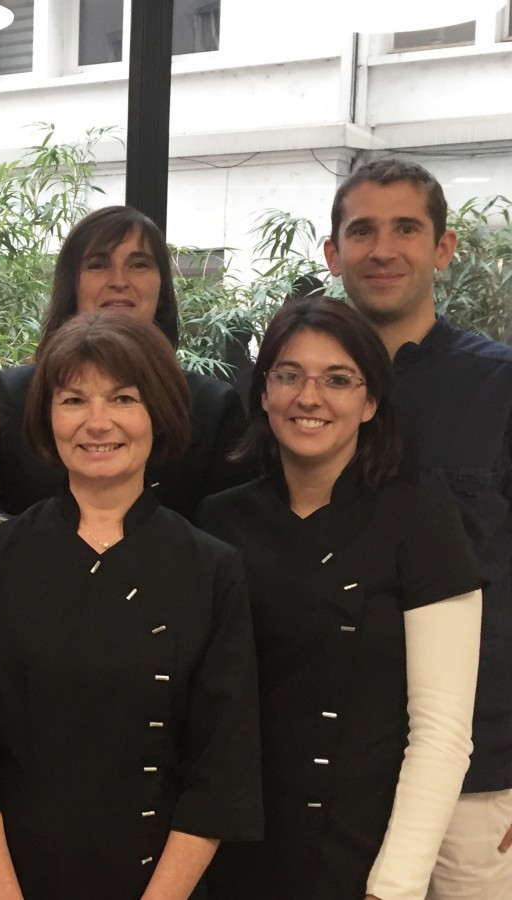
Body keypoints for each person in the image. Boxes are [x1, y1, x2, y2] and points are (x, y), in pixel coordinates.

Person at [0, 313, 262, 899]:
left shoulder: (210, 568)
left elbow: (220, 775)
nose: (97, 422)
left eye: (123, 398)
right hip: (4, 882)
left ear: (159, 412)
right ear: (47, 417)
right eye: (73, 400)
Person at [196, 298, 482, 900]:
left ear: (371, 401)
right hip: (227, 849)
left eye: (337, 379)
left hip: (362, 851)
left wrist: (394, 886)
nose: (309, 397)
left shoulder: (424, 526)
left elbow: (442, 732)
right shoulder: (218, 523)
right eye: (289, 375)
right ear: (263, 393)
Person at [323, 158, 512, 897]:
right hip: (331, 761)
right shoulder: (295, 393)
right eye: (361, 231)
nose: (382, 249)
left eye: (406, 228)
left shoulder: (498, 386)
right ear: (333, 252)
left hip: (481, 766)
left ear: (443, 248)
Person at [0, 205, 246, 518]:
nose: (119, 281)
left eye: (139, 264)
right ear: (72, 283)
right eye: (98, 265)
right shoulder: (11, 396)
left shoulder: (213, 407)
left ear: (162, 285)